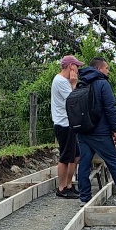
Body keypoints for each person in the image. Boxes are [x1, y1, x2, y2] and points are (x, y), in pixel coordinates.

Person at [75, 57, 116, 204]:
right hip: (100, 132)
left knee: (84, 163)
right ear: (99, 69)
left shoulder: (81, 83)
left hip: (83, 131)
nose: (108, 71)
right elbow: (110, 108)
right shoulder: (102, 84)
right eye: (106, 68)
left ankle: (84, 197)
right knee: (113, 162)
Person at [51, 55, 84, 197]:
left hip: (69, 123)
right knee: (65, 157)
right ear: (71, 66)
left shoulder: (64, 81)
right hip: (63, 123)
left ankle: (69, 185)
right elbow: (73, 100)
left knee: (75, 156)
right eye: (76, 66)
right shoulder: (61, 81)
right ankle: (62, 188)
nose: (78, 69)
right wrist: (74, 83)